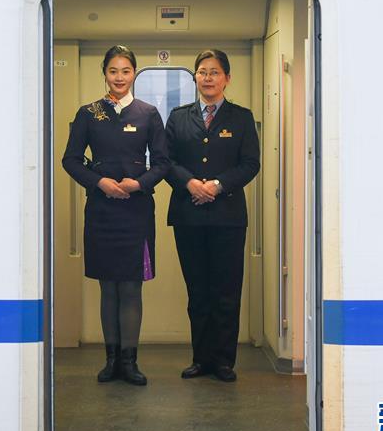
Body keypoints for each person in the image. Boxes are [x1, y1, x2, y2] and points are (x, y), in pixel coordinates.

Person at [62, 45, 170, 386]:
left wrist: (138, 183)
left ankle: (130, 362)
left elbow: (163, 163)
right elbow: (70, 160)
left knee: (132, 288)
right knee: (108, 287)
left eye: (125, 71)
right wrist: (99, 182)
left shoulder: (148, 113)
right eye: (113, 71)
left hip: (136, 212)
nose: (119, 77)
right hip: (102, 210)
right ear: (105, 73)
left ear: (134, 73)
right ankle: (111, 362)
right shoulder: (89, 113)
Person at [164, 49, 260, 382]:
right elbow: (166, 161)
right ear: (195, 78)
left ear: (227, 79)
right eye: (203, 72)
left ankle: (223, 361)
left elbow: (250, 164)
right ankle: (201, 359)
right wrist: (190, 183)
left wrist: (217, 185)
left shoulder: (241, 117)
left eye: (215, 72)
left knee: (226, 291)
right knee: (198, 292)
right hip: (188, 215)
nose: (208, 78)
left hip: (227, 216)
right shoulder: (178, 117)